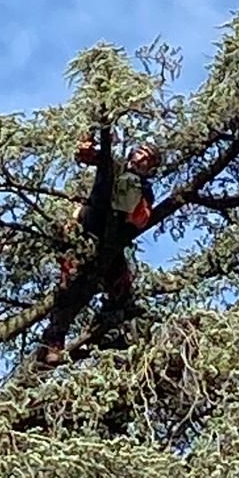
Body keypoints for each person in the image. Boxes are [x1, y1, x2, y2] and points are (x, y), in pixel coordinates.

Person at [38, 128, 161, 365]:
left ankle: (106, 336)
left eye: (149, 160)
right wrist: (91, 137)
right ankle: (53, 345)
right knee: (68, 290)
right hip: (89, 230)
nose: (142, 160)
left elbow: (140, 219)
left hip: (111, 241)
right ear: (133, 154)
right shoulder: (111, 166)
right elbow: (85, 154)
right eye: (141, 154)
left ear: (151, 168)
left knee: (122, 289)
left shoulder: (145, 191)